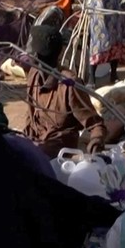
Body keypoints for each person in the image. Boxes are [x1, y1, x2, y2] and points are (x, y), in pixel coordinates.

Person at [23, 25, 106, 158]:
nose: (26, 54)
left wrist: (96, 141)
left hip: (58, 148)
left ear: (36, 55)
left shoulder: (69, 85)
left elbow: (95, 123)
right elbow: (30, 116)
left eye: (29, 51)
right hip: (35, 141)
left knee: (34, 157)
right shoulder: (33, 74)